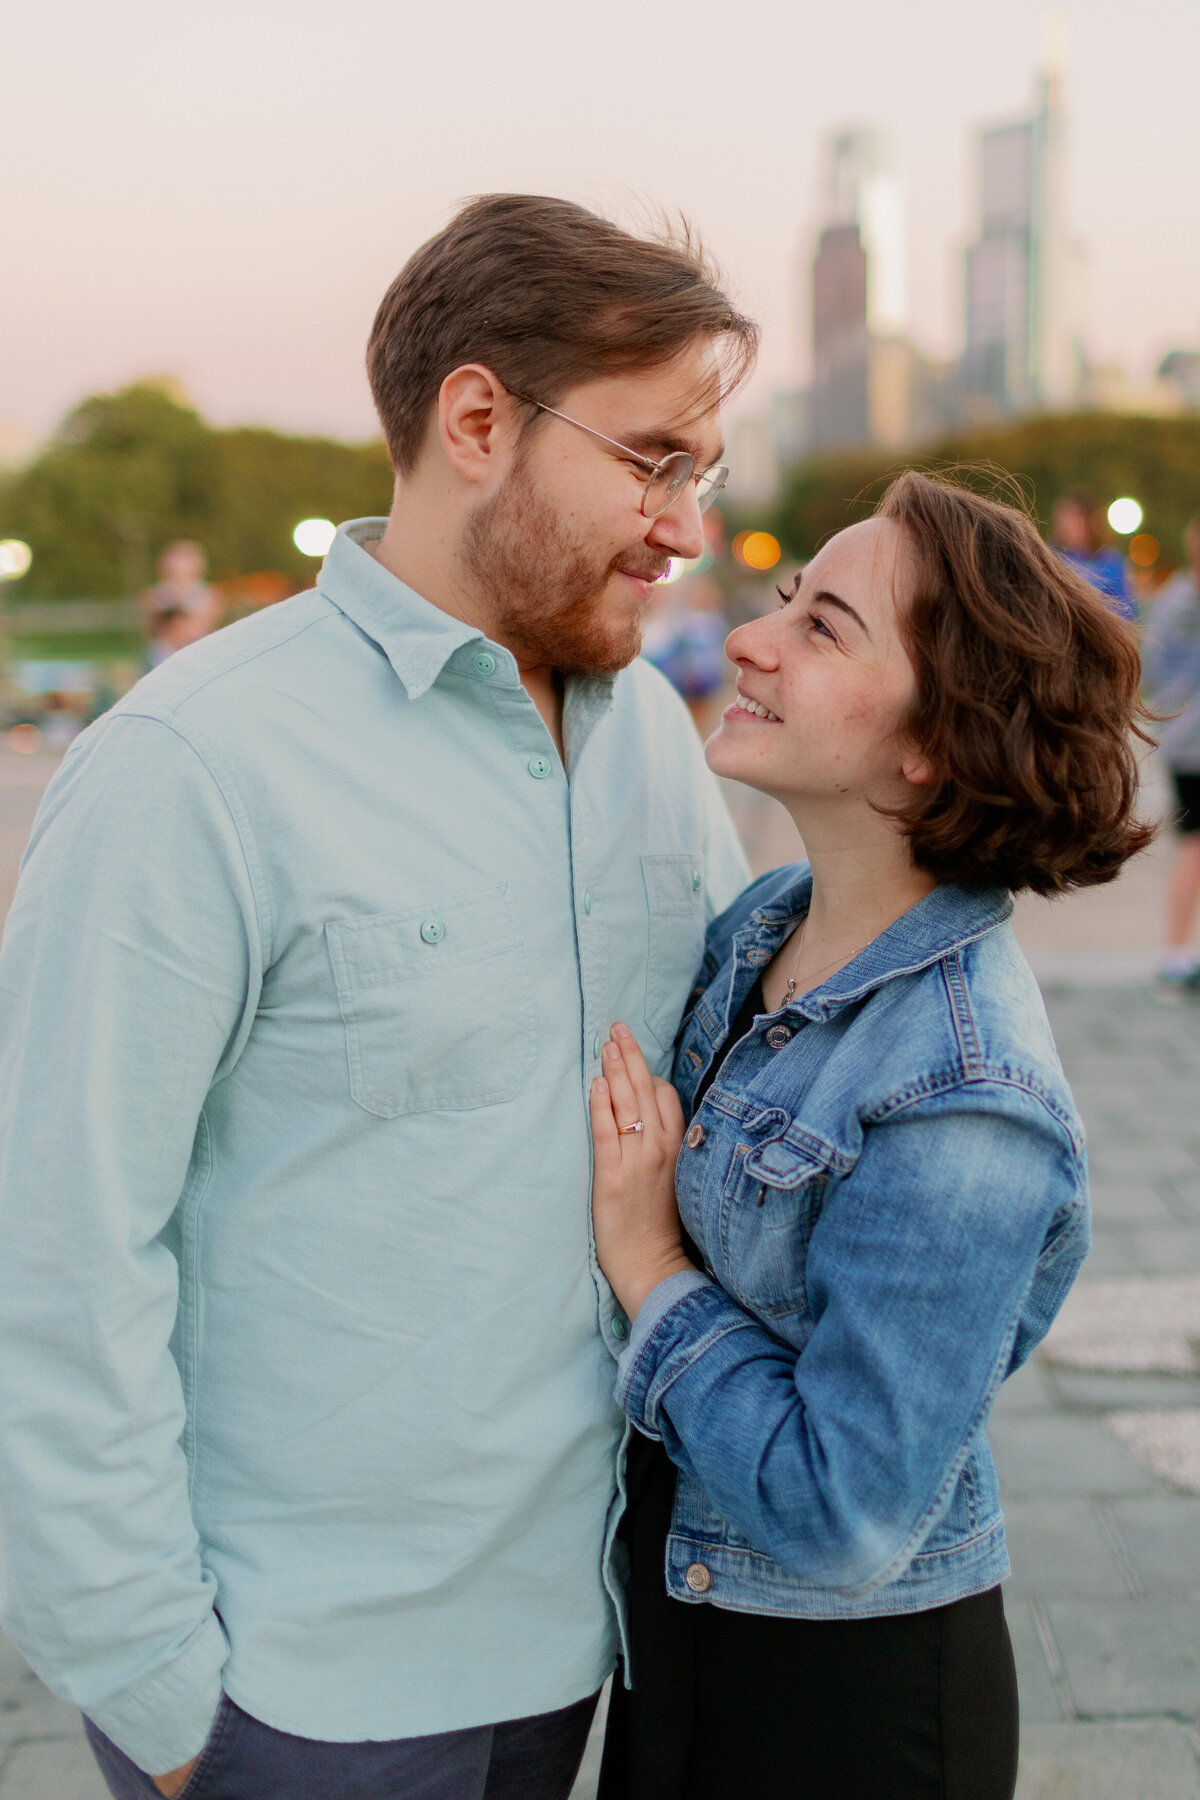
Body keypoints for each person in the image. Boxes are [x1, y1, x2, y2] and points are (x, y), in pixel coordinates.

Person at [0, 195, 757, 1800]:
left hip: (583, 1649)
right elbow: (53, 1247)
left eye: (704, 470)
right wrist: (163, 1693)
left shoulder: (649, 740)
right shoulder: (191, 766)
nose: (686, 528)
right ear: (477, 421)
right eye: (652, 461)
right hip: (291, 1698)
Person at [587, 471, 1152, 1800]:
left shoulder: (968, 1097)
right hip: (684, 1625)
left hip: (843, 1700)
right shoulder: (764, 927)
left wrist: (649, 1265)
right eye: (787, 601)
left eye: (824, 626)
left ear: (933, 745)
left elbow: (846, 1511)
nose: (750, 639)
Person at [1142, 516, 1200, 998]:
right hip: (1194, 741)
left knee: (1191, 845)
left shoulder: (1171, 599)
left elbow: (1150, 670)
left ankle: (1177, 952)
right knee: (1194, 847)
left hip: (1181, 741)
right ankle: (1179, 955)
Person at [1051, 489, 1136, 621]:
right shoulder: (1052, 558)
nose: (1067, 527)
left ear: (1088, 521)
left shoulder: (1110, 561)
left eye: (1073, 520)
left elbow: (1127, 608)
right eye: (1063, 520)